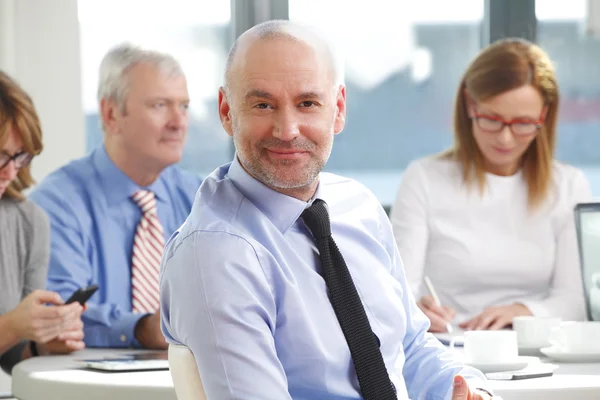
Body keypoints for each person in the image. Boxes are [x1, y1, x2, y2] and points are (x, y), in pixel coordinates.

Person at [161, 20, 495, 400]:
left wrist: (470, 390)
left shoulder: (358, 206)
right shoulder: (216, 252)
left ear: (337, 109)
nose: (287, 130)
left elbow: (410, 344)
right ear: (226, 111)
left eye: (307, 103)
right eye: (263, 104)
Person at [390, 38, 591, 333]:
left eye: (523, 123)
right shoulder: (424, 178)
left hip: (536, 349)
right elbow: (398, 290)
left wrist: (524, 311)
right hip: (451, 346)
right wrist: (416, 311)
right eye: (492, 119)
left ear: (543, 117)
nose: (505, 139)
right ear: (470, 104)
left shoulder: (568, 186)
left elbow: (576, 301)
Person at [30, 44, 202, 349]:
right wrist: (142, 329)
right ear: (111, 114)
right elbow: (59, 317)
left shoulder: (199, 198)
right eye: (160, 105)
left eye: (184, 106)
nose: (179, 122)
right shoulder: (58, 202)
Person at [0, 71, 85, 373]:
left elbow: (10, 358)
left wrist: (42, 342)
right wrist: (11, 326)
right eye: (0, 155)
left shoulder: (28, 222)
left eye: (20, 156)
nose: (10, 172)